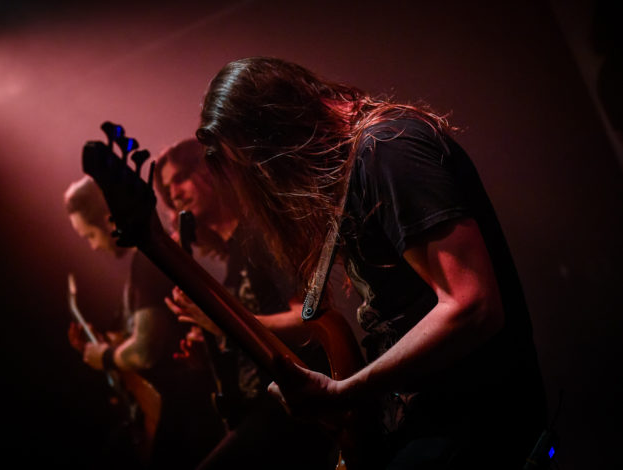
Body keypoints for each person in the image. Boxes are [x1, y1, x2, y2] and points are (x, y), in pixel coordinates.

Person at [194, 57, 547, 469]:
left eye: (262, 163)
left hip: (476, 421)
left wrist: (345, 392)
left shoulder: (389, 149)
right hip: (430, 417)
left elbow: (474, 306)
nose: (269, 179)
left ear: (277, 130)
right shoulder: (360, 163)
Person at [154, 139, 339, 470]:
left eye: (180, 178)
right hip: (260, 407)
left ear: (209, 171)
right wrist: (211, 345)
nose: (175, 194)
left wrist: (225, 322)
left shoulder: (259, 234)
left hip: (294, 406)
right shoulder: (232, 257)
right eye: (167, 191)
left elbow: (312, 319)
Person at [64, 175, 224, 469]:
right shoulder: (145, 260)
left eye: (90, 235)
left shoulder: (146, 262)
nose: (93, 246)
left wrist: (105, 356)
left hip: (185, 414)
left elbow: (144, 350)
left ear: (109, 220)